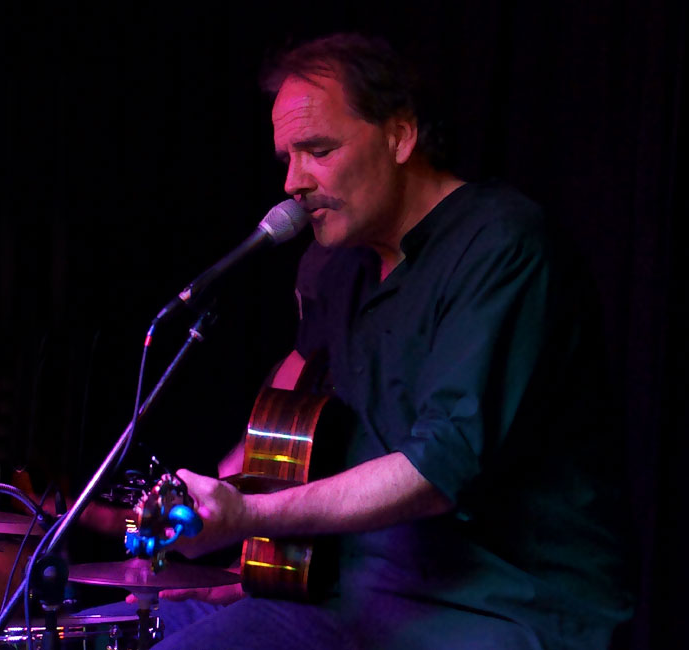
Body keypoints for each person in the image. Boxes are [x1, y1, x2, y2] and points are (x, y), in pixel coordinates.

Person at [87, 33, 634, 649]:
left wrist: (250, 516)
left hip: (494, 609)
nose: (293, 182)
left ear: (400, 136)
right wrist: (212, 515)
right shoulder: (333, 266)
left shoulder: (502, 244)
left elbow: (440, 467)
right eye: (287, 158)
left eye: (318, 150)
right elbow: (292, 402)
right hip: (347, 596)